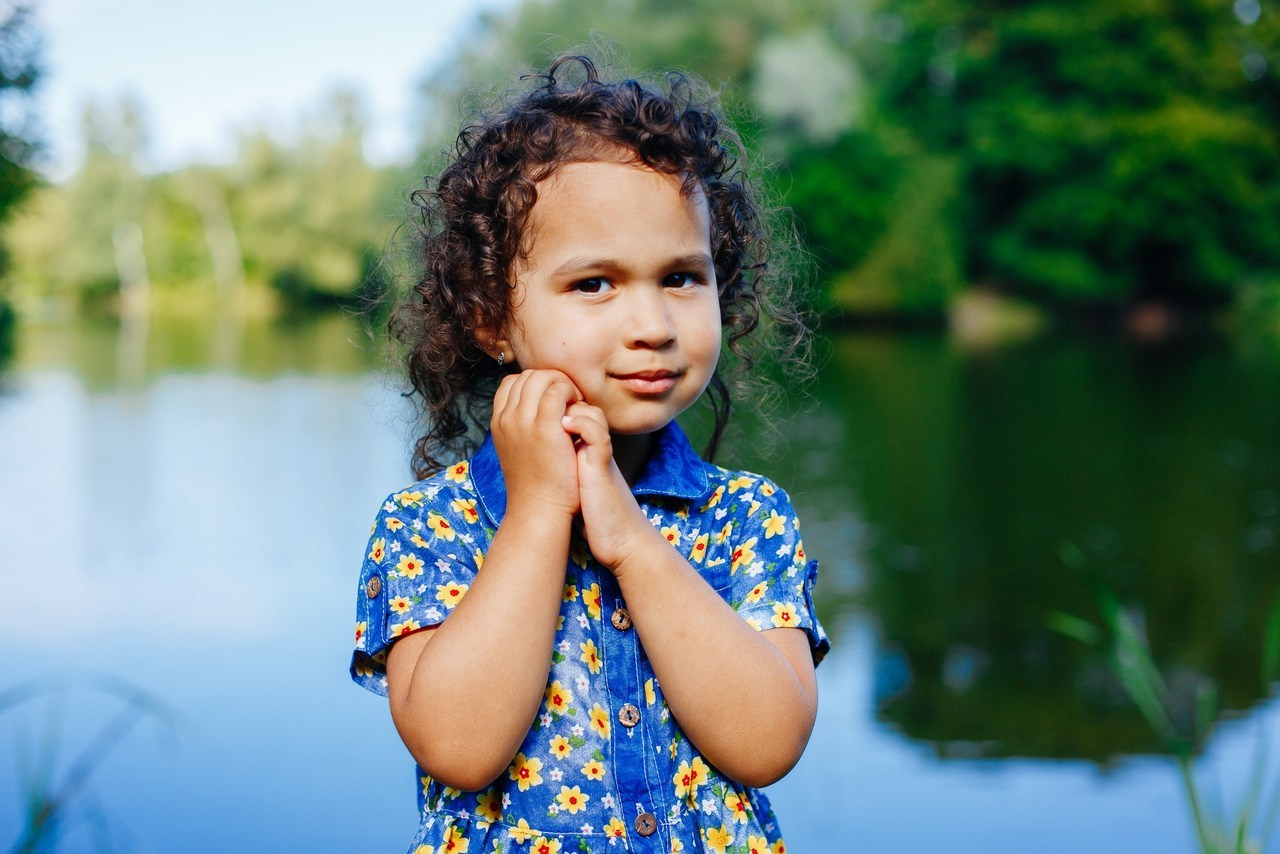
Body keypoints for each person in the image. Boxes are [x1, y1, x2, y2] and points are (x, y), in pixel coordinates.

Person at [351, 54, 828, 854]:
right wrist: (540, 513)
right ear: (490, 318)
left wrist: (633, 543)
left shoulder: (747, 516)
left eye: (681, 277)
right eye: (595, 284)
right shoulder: (432, 526)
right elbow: (460, 749)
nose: (652, 324)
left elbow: (768, 744)